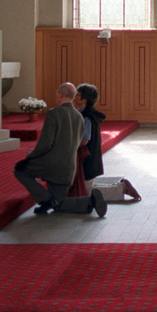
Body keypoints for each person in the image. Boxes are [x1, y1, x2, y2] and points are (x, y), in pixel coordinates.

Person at [14, 82, 106, 217]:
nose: (56, 94)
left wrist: (30, 157)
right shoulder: (79, 116)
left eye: (57, 92)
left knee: (20, 171)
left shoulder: (53, 113)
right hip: (69, 168)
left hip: (51, 165)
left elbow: (45, 144)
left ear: (61, 95)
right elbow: (78, 142)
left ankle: (45, 200)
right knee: (58, 204)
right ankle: (89, 202)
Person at [76, 83, 106, 191]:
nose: (75, 96)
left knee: (86, 191)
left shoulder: (87, 117)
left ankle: (121, 188)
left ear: (84, 100)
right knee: (87, 188)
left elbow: (84, 140)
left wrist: (70, 147)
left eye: (78, 95)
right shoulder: (82, 113)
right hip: (88, 157)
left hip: (87, 157)